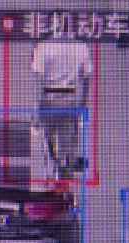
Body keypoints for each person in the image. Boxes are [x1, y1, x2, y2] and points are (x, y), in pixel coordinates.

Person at [30, 37, 92, 175]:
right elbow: (86, 78)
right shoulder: (81, 47)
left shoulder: (43, 47)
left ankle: (54, 167)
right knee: (68, 141)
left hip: (49, 99)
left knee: (48, 140)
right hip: (71, 100)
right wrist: (83, 105)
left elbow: (39, 81)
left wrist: (36, 110)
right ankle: (65, 170)